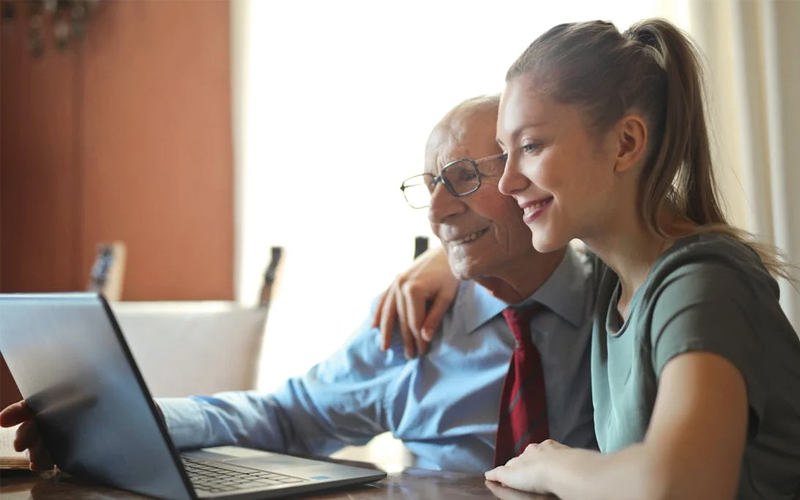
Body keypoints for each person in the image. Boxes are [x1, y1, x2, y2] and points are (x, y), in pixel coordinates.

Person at [0, 95, 597, 475]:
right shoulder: (414, 321)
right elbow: (287, 417)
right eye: (429, 184)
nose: (436, 211)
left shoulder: (625, 298)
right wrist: (139, 417)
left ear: (532, 174)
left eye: (463, 177)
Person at [376, 18, 800, 500]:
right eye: (505, 153)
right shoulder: (615, 280)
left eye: (531, 146)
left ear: (625, 144)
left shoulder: (704, 283)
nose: (509, 181)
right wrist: (448, 259)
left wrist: (552, 466)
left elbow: (683, 485)